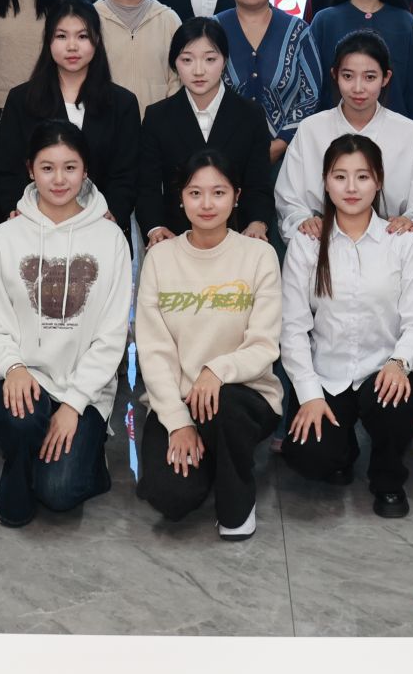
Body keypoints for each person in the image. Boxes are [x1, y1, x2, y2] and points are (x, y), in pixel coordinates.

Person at [0, 121, 132, 526]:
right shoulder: (5, 237)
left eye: (70, 167)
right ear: (30, 169)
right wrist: (13, 366)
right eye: (47, 168)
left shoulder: (111, 239)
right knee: (22, 420)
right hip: (22, 376)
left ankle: (83, 457)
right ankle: (17, 476)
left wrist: (74, 404)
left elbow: (112, 338)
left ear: (85, 170)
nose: (59, 179)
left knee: (59, 492)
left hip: (85, 389)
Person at [281, 135, 413, 518]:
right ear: (325, 181)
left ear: (378, 181)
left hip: (384, 370)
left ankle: (388, 478)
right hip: (327, 374)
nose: (351, 187)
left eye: (362, 177)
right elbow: (293, 328)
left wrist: (400, 363)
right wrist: (310, 396)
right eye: (340, 176)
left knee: (395, 403)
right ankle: (343, 449)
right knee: (309, 457)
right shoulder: (307, 243)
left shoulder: (402, 241)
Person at [135, 149, 283, 538]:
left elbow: (264, 344)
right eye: (195, 193)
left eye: (218, 193)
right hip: (179, 399)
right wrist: (178, 422)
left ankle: (237, 505)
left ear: (236, 196)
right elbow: (153, 351)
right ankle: (211, 456)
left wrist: (216, 370)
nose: (206, 204)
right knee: (171, 498)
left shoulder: (259, 255)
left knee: (227, 405)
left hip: (244, 397)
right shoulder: (160, 259)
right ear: (180, 198)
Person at [0, 0, 140, 241]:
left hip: (100, 229)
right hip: (34, 229)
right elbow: (6, 170)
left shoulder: (122, 103)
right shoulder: (21, 99)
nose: (72, 46)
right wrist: (16, 210)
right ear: (48, 41)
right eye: (61, 36)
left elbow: (127, 174)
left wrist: (112, 213)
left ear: (97, 40)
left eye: (82, 36)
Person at [276, 32, 413, 246]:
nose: (358, 88)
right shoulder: (311, 130)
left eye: (370, 77)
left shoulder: (410, 133)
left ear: (386, 78)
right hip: (322, 243)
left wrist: (411, 223)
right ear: (335, 75)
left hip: (391, 244)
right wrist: (304, 221)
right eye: (348, 76)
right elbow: (289, 199)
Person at [137, 19, 276, 245]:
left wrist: (257, 223)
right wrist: (155, 228)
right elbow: (148, 186)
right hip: (176, 239)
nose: (198, 70)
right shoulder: (157, 117)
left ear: (225, 61)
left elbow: (259, 182)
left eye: (210, 59)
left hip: (237, 237)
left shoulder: (250, 114)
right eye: (187, 60)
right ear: (174, 64)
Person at [216, 0, 320, 166]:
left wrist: (281, 143)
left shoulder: (298, 31)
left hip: (288, 158)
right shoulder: (211, 29)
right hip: (220, 155)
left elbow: (311, 95)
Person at [96, 0, 182, 115]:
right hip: (106, 124)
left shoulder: (168, 19)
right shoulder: (92, 18)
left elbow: (178, 78)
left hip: (158, 125)